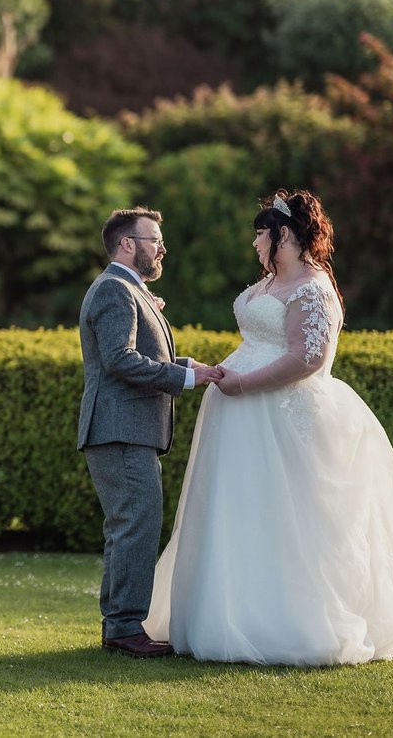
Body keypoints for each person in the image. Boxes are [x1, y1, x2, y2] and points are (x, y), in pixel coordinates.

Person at [144, 189, 393, 665]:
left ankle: (289, 622)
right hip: (239, 412)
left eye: (261, 234)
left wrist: (244, 384)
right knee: (239, 511)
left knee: (289, 513)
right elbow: (258, 342)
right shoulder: (268, 284)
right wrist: (217, 372)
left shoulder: (314, 288)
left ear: (287, 235)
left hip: (284, 414)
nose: (256, 244)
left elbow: (308, 358)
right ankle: (225, 612)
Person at [79, 206, 222, 658]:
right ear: (127, 244)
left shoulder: (128, 290)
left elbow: (137, 357)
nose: (161, 248)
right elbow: (119, 359)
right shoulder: (115, 291)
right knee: (134, 526)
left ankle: (119, 626)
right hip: (120, 431)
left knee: (130, 526)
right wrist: (183, 380)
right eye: (153, 239)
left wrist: (187, 367)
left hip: (127, 431)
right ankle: (123, 628)